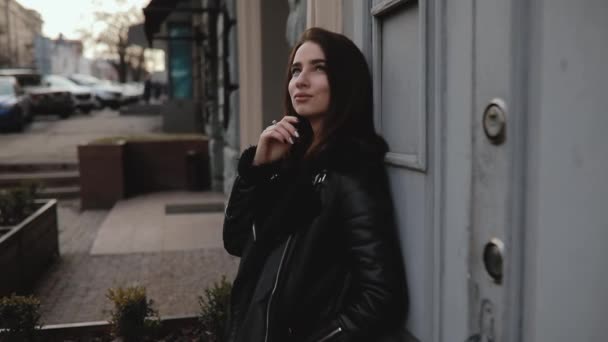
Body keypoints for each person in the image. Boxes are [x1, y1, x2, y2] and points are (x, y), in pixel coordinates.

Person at [223, 27, 409, 342]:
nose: (301, 80)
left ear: (345, 81)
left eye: (318, 68)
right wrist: (259, 168)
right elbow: (238, 240)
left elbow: (382, 295)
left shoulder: (350, 168)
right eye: (296, 70)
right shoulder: (293, 163)